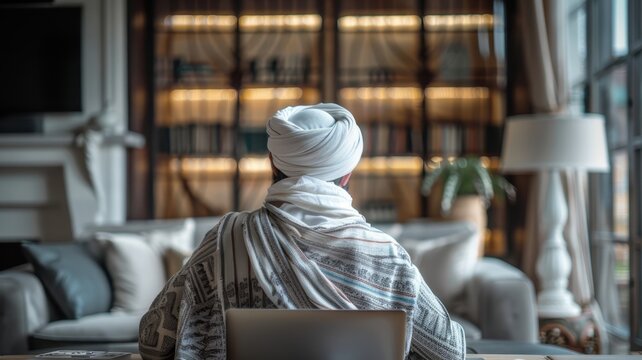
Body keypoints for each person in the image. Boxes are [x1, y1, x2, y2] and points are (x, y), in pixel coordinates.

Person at [138, 103, 466, 360]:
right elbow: (449, 352)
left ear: (272, 162)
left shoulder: (226, 238)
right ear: (346, 174)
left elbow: (153, 343)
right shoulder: (386, 256)